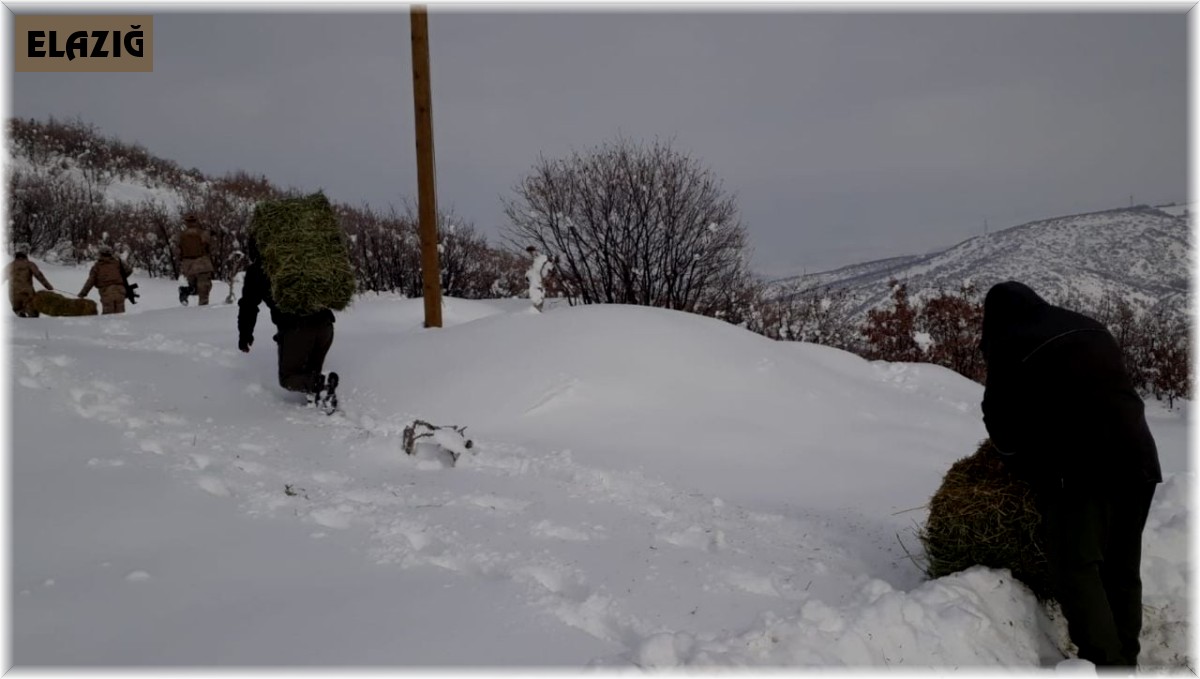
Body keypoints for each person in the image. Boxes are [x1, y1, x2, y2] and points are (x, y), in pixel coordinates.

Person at [980, 281, 1161, 668]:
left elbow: (1000, 415)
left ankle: (1105, 664)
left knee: (1076, 567)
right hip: (1139, 457)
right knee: (1121, 566)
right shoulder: (1087, 324)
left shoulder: (1010, 338)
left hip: (1080, 467)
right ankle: (1125, 661)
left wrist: (1017, 464)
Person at [237, 237, 337, 406]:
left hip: (298, 329)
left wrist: (245, 335)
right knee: (310, 373)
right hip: (325, 325)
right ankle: (318, 399)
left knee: (288, 378)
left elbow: (248, 307)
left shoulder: (258, 271)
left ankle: (322, 384)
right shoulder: (299, 258)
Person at [78, 245, 134, 315]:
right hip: (120, 291)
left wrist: (83, 293)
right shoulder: (117, 263)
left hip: (107, 292)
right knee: (120, 315)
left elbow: (90, 281)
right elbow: (129, 270)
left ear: (100, 254)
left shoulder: (97, 266)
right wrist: (120, 278)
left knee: (108, 317)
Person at [177, 213, 214, 306]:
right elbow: (209, 246)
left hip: (188, 265)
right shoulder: (202, 233)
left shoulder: (181, 235)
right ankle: (203, 310)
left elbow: (178, 251)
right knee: (204, 289)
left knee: (193, 287)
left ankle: (185, 291)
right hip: (202, 265)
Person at [3, 250, 54, 317]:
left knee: (18, 310)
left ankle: (21, 317)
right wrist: (48, 286)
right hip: (27, 292)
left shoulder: (10, 266)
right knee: (33, 312)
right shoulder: (30, 264)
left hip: (14, 293)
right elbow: (39, 275)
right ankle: (33, 319)